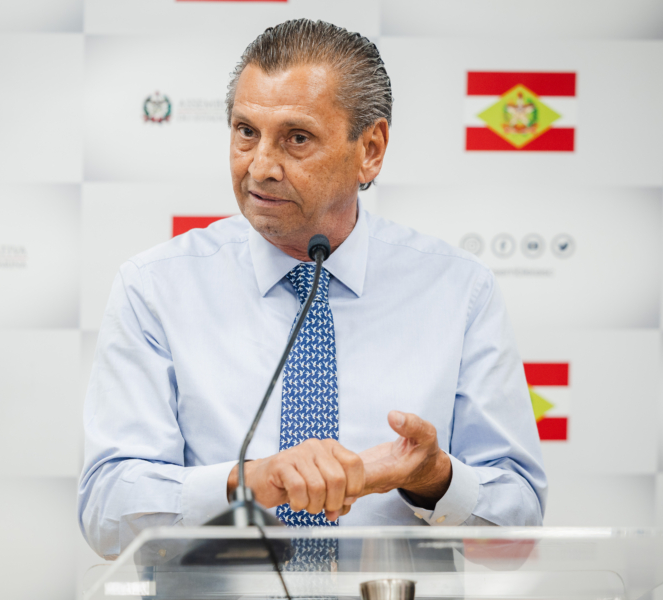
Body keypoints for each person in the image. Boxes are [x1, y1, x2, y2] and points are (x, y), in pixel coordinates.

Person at [78, 19, 547, 560]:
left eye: (296, 139)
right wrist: (248, 482)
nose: (260, 167)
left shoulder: (458, 290)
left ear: (370, 149)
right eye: (246, 131)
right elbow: (106, 512)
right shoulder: (156, 286)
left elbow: (519, 528)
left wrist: (433, 479)